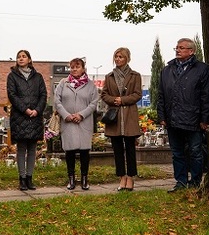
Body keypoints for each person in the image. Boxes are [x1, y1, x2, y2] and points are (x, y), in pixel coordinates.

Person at [155, 38, 209, 191]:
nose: (178, 50)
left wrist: (204, 119)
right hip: (172, 119)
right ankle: (180, 182)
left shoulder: (202, 69)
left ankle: (195, 182)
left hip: (193, 119)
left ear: (191, 51)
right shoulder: (167, 70)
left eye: (181, 48)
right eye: (176, 47)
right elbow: (161, 95)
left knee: (196, 151)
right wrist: (162, 116)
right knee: (177, 153)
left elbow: (207, 96)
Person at [54, 57, 99, 190]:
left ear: (83, 68)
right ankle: (71, 179)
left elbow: (94, 102)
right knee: (70, 152)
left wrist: (81, 114)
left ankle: (85, 179)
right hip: (68, 123)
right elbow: (57, 101)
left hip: (84, 122)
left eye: (77, 66)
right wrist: (66, 115)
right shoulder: (63, 83)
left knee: (85, 151)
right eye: (72, 67)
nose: (74, 69)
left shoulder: (90, 85)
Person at [101, 47, 143, 191]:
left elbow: (137, 94)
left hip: (129, 116)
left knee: (130, 148)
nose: (118, 59)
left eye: (121, 57)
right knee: (117, 149)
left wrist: (123, 100)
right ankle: (121, 178)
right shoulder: (109, 76)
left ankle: (130, 177)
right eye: (116, 56)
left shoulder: (135, 75)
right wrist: (114, 100)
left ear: (127, 59)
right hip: (115, 117)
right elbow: (104, 95)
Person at [6, 49, 47, 191]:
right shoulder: (12, 76)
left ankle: (30, 178)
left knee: (33, 149)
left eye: (24, 56)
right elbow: (12, 95)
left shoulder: (38, 77)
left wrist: (37, 110)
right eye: (19, 57)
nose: (21, 59)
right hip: (20, 117)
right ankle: (22, 178)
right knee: (21, 148)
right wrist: (26, 109)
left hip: (35, 117)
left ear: (29, 60)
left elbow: (43, 95)